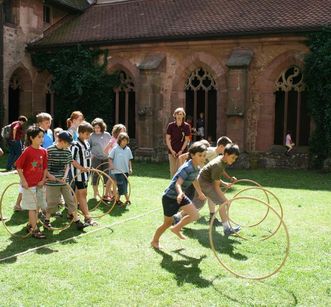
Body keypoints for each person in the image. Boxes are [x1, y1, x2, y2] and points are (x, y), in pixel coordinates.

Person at [151, 142, 207, 250]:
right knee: (167, 224)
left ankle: (176, 228)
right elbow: (178, 183)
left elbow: (194, 179)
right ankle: (154, 241)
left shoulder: (197, 167)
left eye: (204, 155)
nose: (202, 158)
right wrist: (180, 192)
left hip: (180, 196)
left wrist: (200, 193)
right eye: (200, 155)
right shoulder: (187, 168)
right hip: (170, 198)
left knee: (195, 215)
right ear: (192, 155)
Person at [175, 136, 235, 226]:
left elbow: (216, 173)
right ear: (221, 147)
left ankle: (178, 216)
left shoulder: (218, 157)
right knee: (193, 200)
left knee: (199, 203)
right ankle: (179, 216)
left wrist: (226, 180)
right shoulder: (209, 151)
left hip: (203, 180)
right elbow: (183, 156)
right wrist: (183, 173)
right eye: (227, 149)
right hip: (196, 178)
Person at [191, 143, 241, 236]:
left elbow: (216, 175)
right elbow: (216, 186)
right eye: (233, 157)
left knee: (197, 204)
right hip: (204, 182)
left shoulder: (222, 160)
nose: (234, 160)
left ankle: (177, 217)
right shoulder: (218, 164)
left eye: (235, 158)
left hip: (204, 181)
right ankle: (227, 228)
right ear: (226, 154)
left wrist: (225, 183)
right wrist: (225, 200)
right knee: (222, 203)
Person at [45, 131, 88, 230]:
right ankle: (47, 220)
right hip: (52, 182)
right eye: (68, 143)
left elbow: (68, 165)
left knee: (70, 200)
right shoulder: (50, 150)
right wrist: (49, 176)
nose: (69, 145)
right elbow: (45, 166)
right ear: (62, 141)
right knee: (52, 202)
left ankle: (77, 221)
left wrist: (65, 176)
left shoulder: (67, 151)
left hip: (64, 181)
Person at [15, 125, 48, 239]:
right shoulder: (28, 151)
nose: (41, 139)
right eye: (39, 137)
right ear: (31, 138)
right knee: (32, 208)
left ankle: (30, 225)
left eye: (42, 137)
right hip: (29, 185)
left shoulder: (44, 151)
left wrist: (43, 180)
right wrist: (23, 181)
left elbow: (44, 168)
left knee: (38, 206)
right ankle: (34, 229)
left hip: (39, 185)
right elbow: (18, 166)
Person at [70, 121, 97, 226]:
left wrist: (90, 168)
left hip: (86, 173)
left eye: (90, 134)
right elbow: (71, 159)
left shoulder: (86, 143)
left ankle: (71, 213)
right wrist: (81, 168)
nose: (88, 136)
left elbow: (87, 157)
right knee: (83, 194)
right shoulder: (75, 144)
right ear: (80, 133)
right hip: (79, 174)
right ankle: (87, 217)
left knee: (78, 194)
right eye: (87, 134)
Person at [89, 118, 112, 199]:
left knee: (107, 176)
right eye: (95, 128)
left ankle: (106, 195)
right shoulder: (91, 136)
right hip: (96, 158)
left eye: (98, 127)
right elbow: (89, 147)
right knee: (95, 176)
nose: (96, 129)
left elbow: (111, 146)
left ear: (102, 127)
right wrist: (92, 156)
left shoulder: (107, 135)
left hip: (106, 158)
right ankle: (95, 194)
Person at [109, 132, 133, 206]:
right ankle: (127, 199)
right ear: (119, 140)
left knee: (123, 185)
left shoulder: (128, 149)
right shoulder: (115, 149)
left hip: (125, 171)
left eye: (126, 140)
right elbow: (110, 158)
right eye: (123, 140)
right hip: (117, 171)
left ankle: (117, 200)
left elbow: (129, 160)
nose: (124, 142)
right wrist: (111, 165)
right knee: (121, 185)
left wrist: (130, 168)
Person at [165, 107, 191, 178]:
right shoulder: (171, 126)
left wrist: (181, 151)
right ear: (175, 115)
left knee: (181, 171)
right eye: (178, 114)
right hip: (172, 152)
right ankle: (173, 188)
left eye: (181, 114)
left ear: (183, 116)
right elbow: (167, 139)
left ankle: (180, 187)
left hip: (183, 152)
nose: (179, 116)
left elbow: (186, 140)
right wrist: (172, 150)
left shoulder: (186, 126)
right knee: (173, 171)